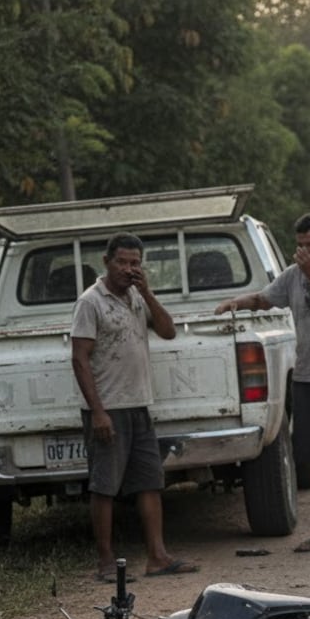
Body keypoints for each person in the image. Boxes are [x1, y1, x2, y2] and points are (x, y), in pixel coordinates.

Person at [215, 213, 310, 555]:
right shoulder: (292, 276)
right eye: (299, 246)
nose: (304, 252)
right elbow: (264, 298)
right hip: (306, 378)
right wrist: (235, 303)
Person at [71, 233, 199, 580]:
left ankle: (157, 556)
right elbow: (80, 358)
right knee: (105, 486)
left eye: (135, 263)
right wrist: (97, 411)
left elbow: (169, 331)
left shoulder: (136, 298)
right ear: (107, 262)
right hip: (108, 407)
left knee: (149, 482)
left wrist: (146, 292)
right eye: (122, 262)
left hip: (139, 404)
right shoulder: (90, 302)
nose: (129, 269)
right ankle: (105, 561)